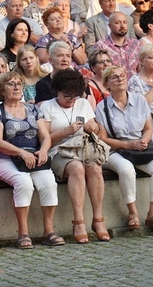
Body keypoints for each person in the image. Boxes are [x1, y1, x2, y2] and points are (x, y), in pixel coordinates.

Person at [0, 71, 63, 248]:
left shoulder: (33, 109)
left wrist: (43, 150)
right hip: (5, 157)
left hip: (33, 156)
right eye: (10, 84)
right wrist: (21, 152)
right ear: (2, 90)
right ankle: (23, 233)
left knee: (49, 182)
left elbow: (45, 136)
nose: (16, 87)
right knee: (23, 182)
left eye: (19, 84)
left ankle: (49, 230)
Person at [95, 65, 153, 230]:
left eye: (122, 75)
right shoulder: (102, 107)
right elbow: (103, 138)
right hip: (115, 149)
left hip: (137, 147)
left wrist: (144, 141)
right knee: (126, 168)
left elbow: (149, 128)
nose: (121, 79)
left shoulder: (139, 100)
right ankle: (133, 213)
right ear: (107, 84)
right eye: (115, 77)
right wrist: (127, 144)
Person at [39, 69, 110, 243]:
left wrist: (92, 127)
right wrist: (66, 131)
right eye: (67, 96)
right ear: (57, 91)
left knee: (94, 166)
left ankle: (98, 219)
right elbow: (44, 139)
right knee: (77, 168)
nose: (71, 101)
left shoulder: (83, 104)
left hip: (83, 148)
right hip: (58, 151)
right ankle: (78, 221)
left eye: (74, 97)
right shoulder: (47, 106)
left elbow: (99, 131)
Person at [93, 12, 140, 79]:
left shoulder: (136, 44)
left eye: (124, 22)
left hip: (134, 86)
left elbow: (140, 69)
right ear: (109, 26)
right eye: (117, 23)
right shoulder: (101, 46)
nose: (122, 26)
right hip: (111, 86)